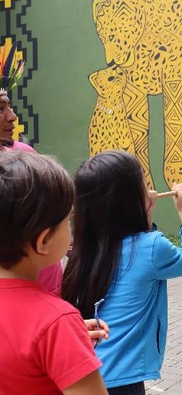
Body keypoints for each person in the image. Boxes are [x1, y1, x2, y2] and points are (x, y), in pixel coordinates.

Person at [62, 150, 182, 395]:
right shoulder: (152, 247)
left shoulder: (81, 247)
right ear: (130, 199)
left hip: (83, 373)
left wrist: (144, 215)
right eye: (143, 183)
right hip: (122, 379)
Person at [0, 150, 108, 395]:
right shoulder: (57, 321)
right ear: (43, 241)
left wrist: (62, 342)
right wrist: (60, 333)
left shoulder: (57, 327)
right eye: (67, 220)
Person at [0, 89, 64, 295]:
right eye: (1, 109)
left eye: (8, 106)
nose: (12, 116)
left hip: (48, 284)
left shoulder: (23, 154)